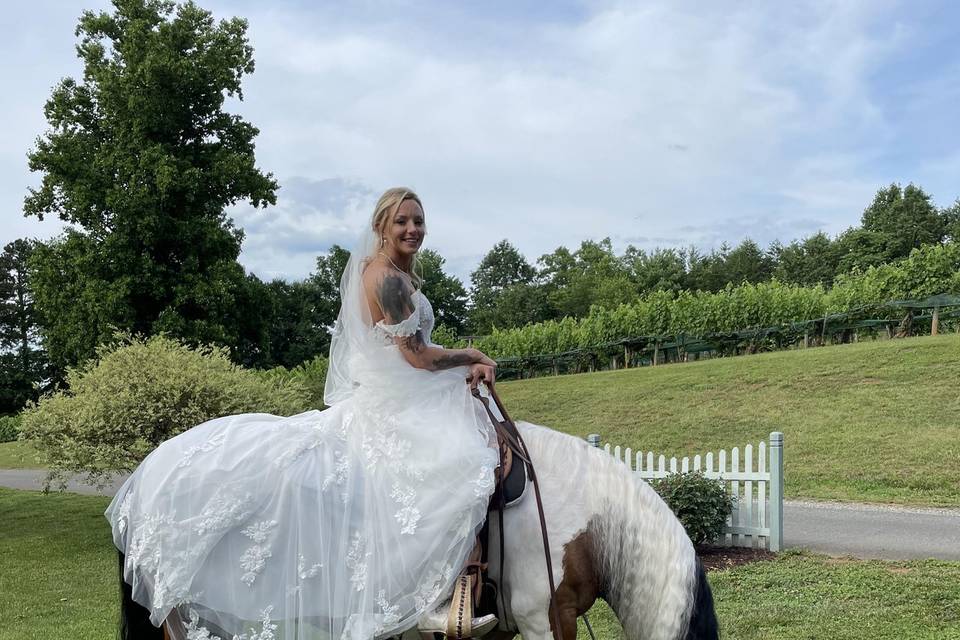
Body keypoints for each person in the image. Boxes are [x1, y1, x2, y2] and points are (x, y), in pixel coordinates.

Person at [106, 187, 502, 640]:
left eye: (419, 221)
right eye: (402, 221)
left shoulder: (393, 275)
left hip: (399, 393)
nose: (413, 229)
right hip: (395, 400)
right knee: (457, 465)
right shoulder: (388, 281)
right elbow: (416, 356)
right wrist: (472, 353)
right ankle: (428, 603)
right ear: (381, 227)